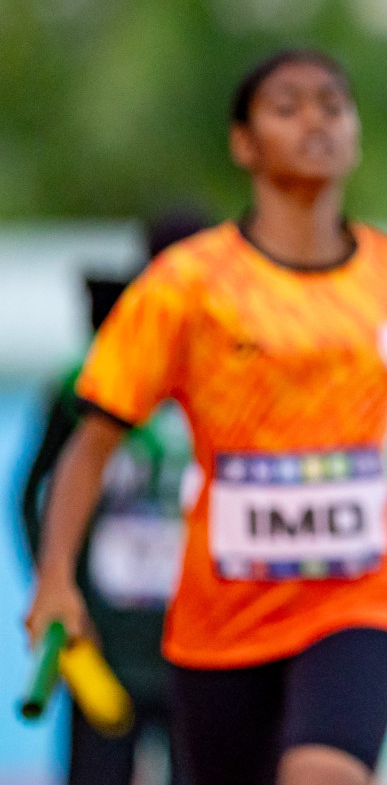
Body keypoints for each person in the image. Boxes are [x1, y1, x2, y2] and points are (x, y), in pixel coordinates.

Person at [26, 50, 387, 785]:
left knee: (323, 774)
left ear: (354, 133)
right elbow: (90, 447)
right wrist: (56, 573)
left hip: (362, 595)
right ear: (244, 144)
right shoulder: (185, 287)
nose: (316, 119)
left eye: (333, 104)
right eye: (288, 107)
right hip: (221, 619)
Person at [21, 210, 210, 785]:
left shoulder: (232, 376)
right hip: (104, 639)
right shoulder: (87, 382)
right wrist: (57, 582)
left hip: (202, 641)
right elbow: (30, 494)